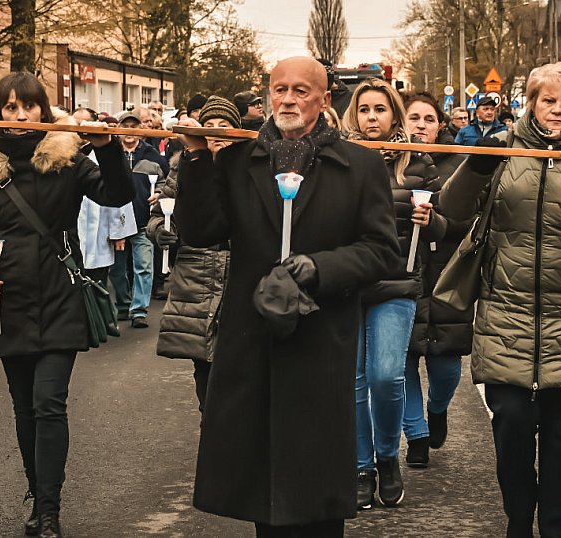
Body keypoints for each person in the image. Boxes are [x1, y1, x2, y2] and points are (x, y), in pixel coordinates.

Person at [174, 56, 399, 537]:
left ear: (324, 98)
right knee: (264, 490)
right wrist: (195, 158)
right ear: (267, 95)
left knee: (315, 494)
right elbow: (201, 230)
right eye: (280, 90)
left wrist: (320, 267)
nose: (289, 100)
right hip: (253, 342)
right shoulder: (238, 160)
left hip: (320, 344)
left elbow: (382, 251)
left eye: (301, 90)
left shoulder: (359, 166)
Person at [438, 62, 561, 537]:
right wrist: (477, 164)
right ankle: (517, 521)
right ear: (530, 103)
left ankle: (555, 529)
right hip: (507, 313)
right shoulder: (505, 149)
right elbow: (453, 208)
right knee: (509, 425)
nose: (557, 111)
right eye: (548, 100)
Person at [0, 72, 134, 537]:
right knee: (24, 409)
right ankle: (37, 496)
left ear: (43, 110)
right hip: (8, 298)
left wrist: (109, 147)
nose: (19, 117)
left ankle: (51, 510)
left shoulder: (66, 158)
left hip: (60, 293)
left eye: (28, 107)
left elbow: (117, 195)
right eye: (9, 108)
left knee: (48, 403)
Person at [342, 78, 438, 509]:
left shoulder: (416, 164)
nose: (372, 117)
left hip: (396, 281)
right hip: (345, 283)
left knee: (386, 376)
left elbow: (447, 225)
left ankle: (387, 456)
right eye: (364, 110)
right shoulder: (337, 159)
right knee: (352, 381)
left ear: (394, 115)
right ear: (354, 115)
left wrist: (430, 219)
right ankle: (361, 465)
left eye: (380, 109)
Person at [146, 96, 240, 413]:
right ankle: (210, 441)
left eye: (223, 126)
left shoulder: (247, 170)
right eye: (209, 126)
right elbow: (160, 212)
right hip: (195, 279)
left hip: (236, 276)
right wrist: (160, 229)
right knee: (204, 372)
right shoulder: (182, 169)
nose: (216, 132)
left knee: (235, 373)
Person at [401, 92, 470, 468]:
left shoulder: (458, 164)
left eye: (429, 119)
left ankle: (437, 408)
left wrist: (437, 222)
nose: (421, 126)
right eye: (414, 118)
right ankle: (416, 435)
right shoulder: (389, 162)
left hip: (446, 277)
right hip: (402, 276)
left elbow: (469, 220)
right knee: (404, 361)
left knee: (445, 366)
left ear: (439, 125)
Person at [108, 110, 168, 328]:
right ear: (119, 130)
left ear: (140, 131)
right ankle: (123, 305)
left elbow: (166, 182)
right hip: (117, 224)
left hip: (143, 220)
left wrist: (160, 193)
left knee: (143, 266)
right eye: (125, 126)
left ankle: (139, 310)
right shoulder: (111, 154)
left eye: (134, 126)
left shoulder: (152, 155)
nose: (129, 131)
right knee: (116, 269)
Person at [72, 107, 137, 301]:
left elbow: (119, 194)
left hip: (98, 234)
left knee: (98, 286)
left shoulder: (103, 154)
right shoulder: (64, 156)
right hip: (73, 235)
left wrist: (118, 233)